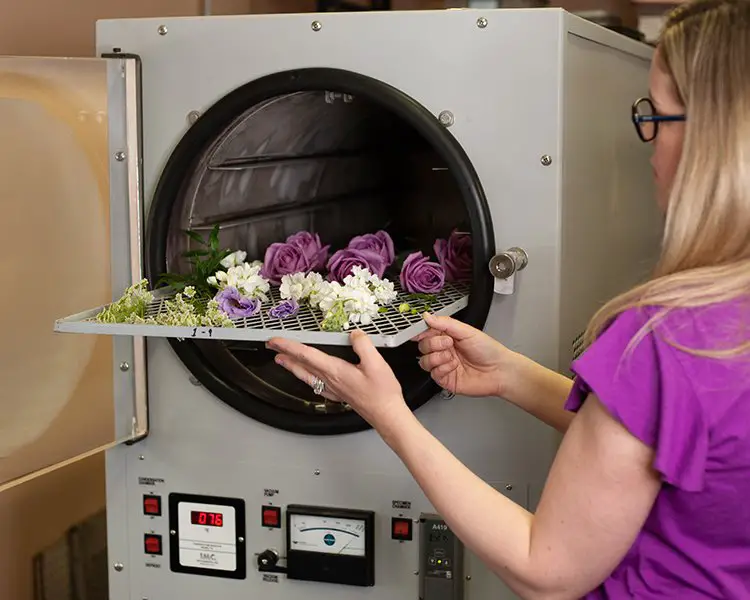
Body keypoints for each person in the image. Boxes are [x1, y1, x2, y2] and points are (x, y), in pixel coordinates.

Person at [267, 1, 750, 597]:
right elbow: (663, 435)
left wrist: (388, 414)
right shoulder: (719, 327)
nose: (648, 145)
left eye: (656, 115)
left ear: (713, 139)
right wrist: (512, 376)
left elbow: (545, 571)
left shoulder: (664, 338)